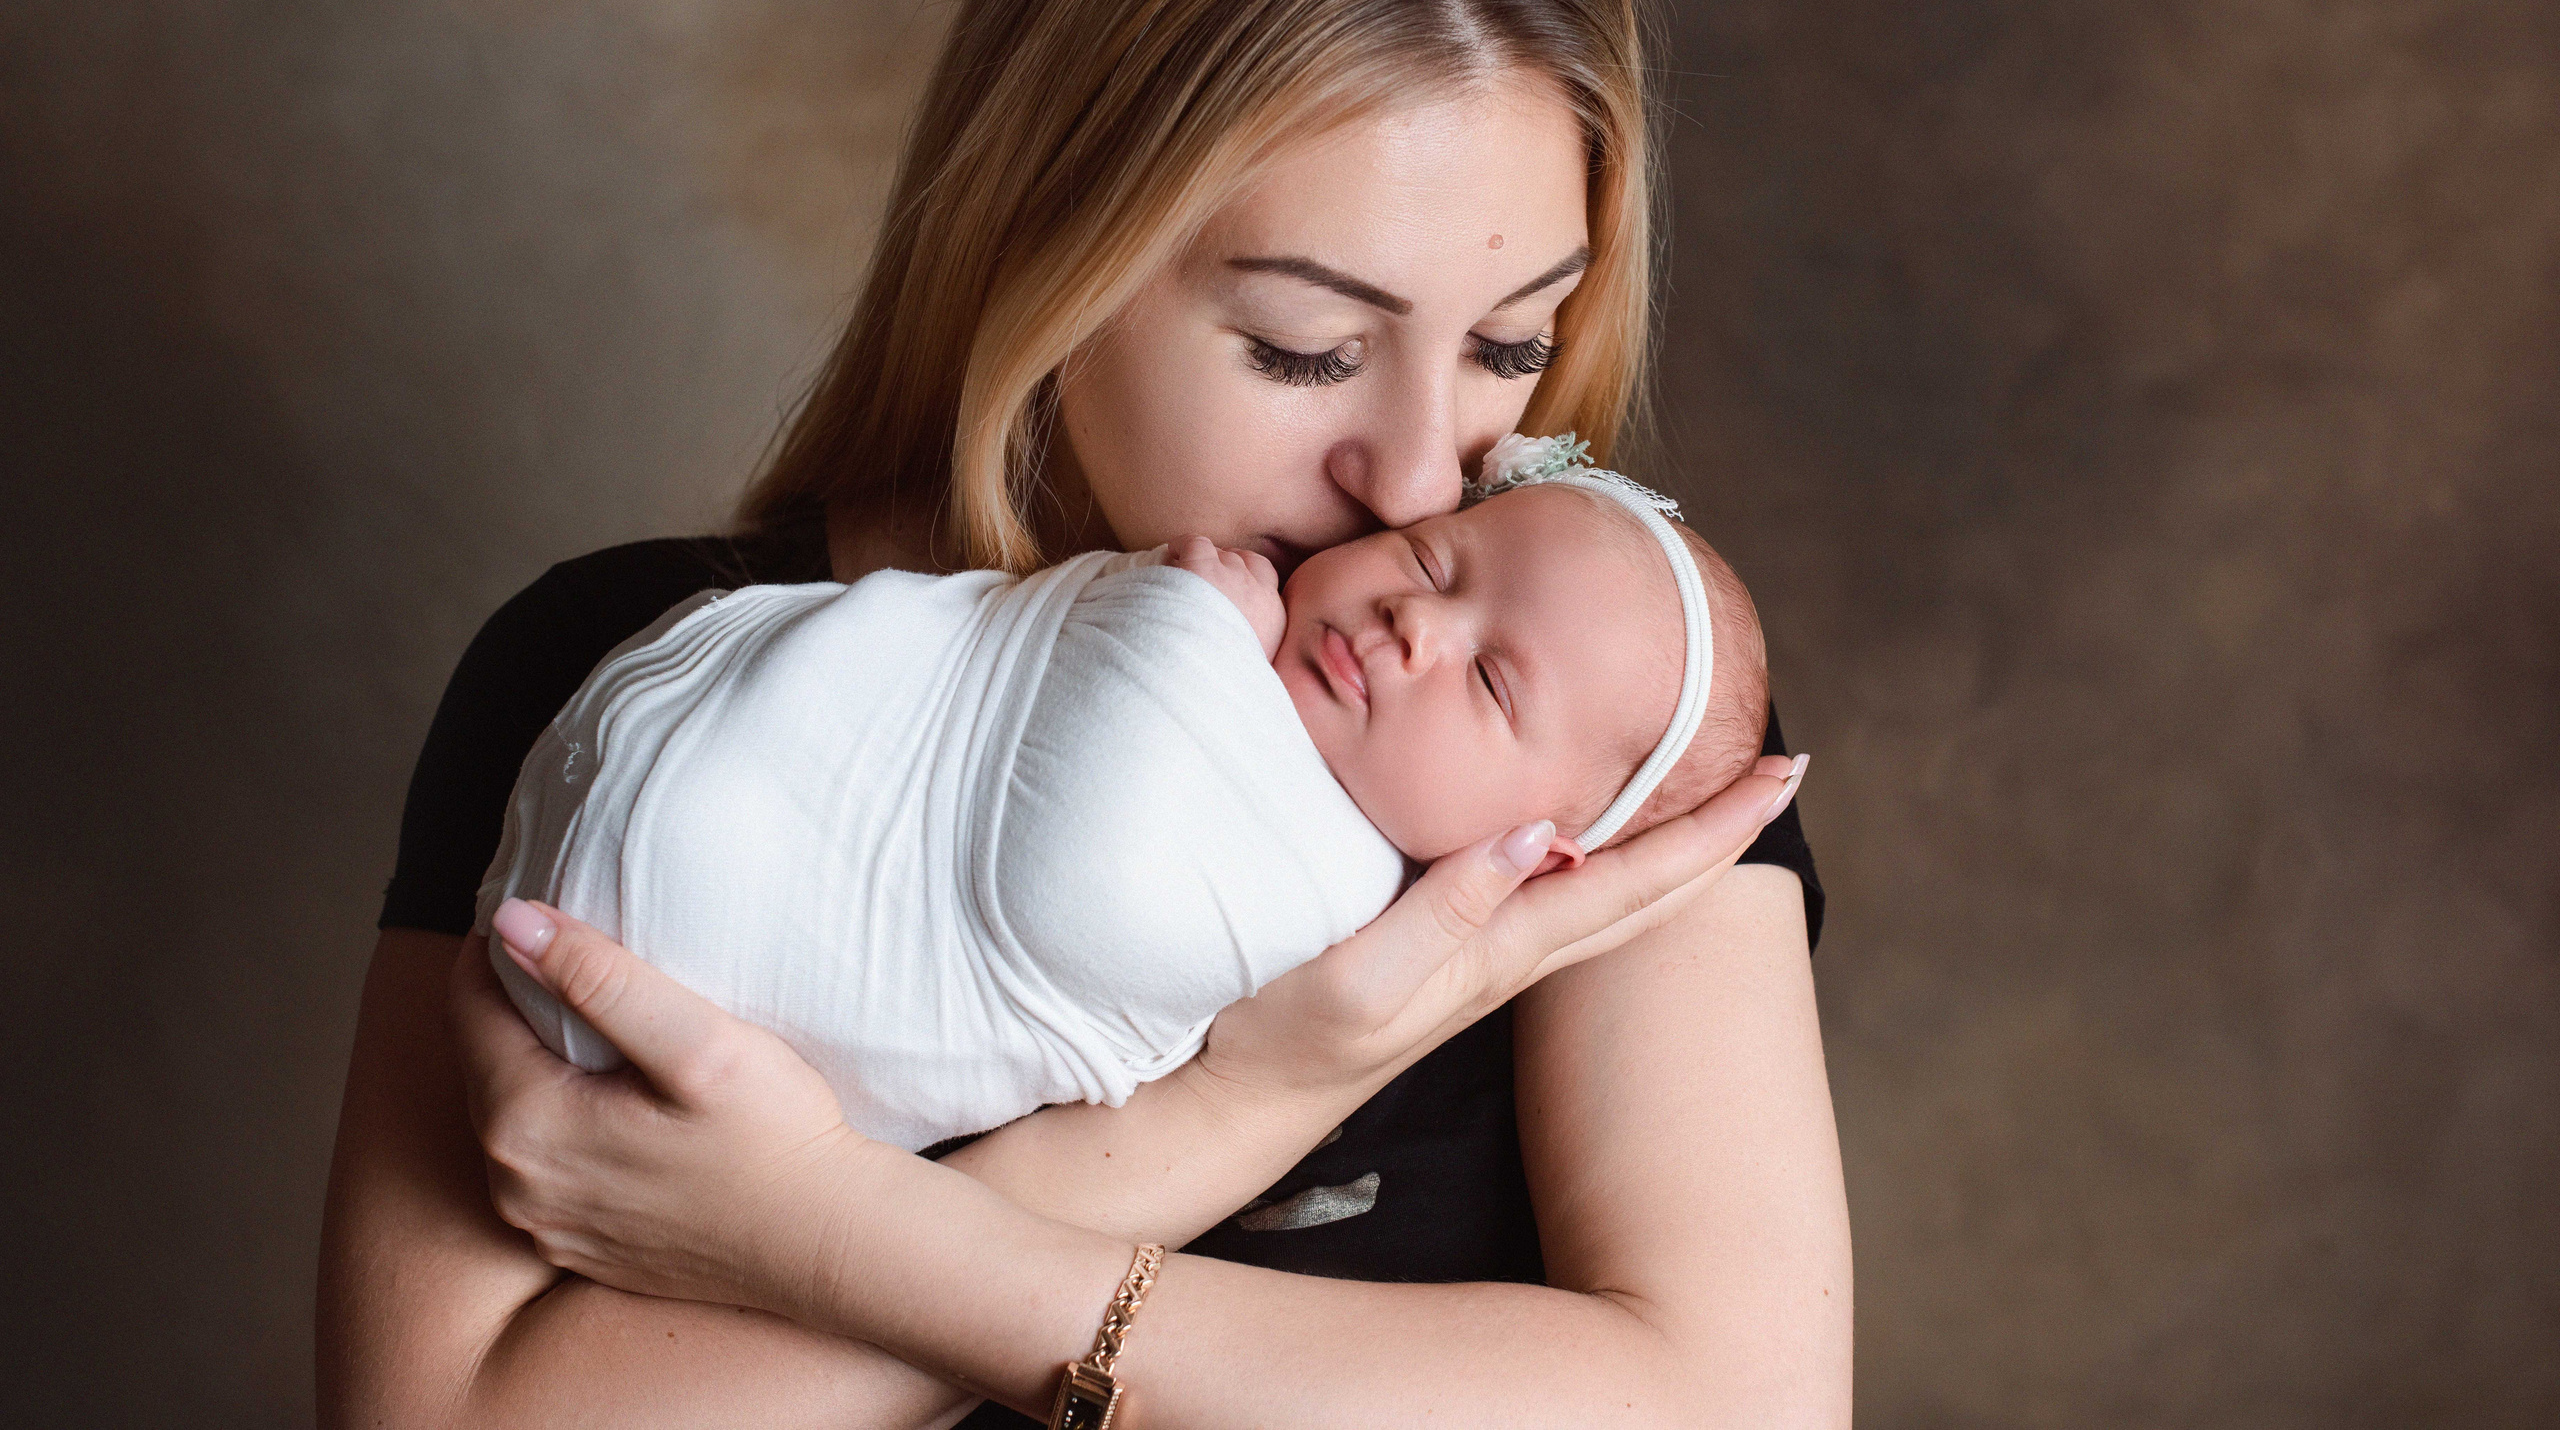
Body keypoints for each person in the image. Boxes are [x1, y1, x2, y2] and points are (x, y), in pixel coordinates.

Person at [318, 0, 1852, 1426]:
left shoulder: (1603, 699)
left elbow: (1737, 1407)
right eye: (1302, 348)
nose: (1423, 476)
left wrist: (820, 1229)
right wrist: (1211, 1118)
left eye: (1510, 342)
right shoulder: (637, 665)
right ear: (1049, 242)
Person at [476, 462, 1773, 1154]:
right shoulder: (1268, 652)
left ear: (1541, 853)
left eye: (1490, 680)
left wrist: (1181, 625)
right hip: (657, 776)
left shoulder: (1326, 893)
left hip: (690, 947)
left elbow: (1088, 892)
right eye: (1438, 557)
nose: (1412, 622)